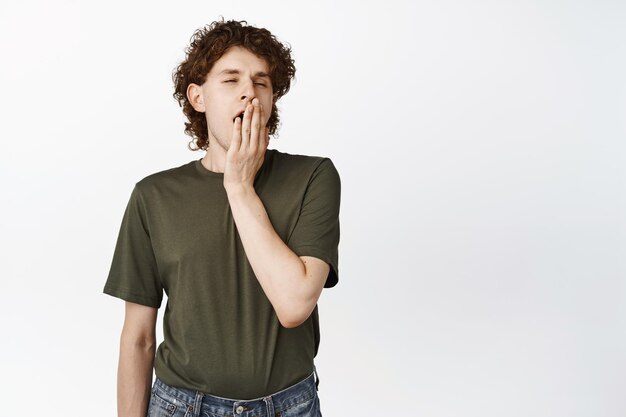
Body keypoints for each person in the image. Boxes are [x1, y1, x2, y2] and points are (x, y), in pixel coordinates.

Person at [102, 18, 340, 417]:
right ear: (198, 97)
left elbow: (294, 304)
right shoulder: (154, 195)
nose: (250, 93)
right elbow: (138, 337)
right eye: (231, 80)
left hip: (288, 406)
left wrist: (240, 187)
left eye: (261, 82)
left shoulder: (313, 177)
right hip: (181, 405)